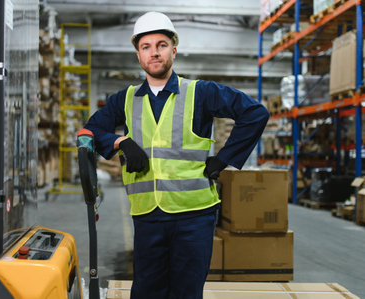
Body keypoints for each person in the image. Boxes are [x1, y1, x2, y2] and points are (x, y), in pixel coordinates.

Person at [84, 11, 269, 299]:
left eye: (161, 45)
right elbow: (91, 131)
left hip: (194, 217)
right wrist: (121, 141)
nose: (154, 53)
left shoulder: (200, 92)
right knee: (147, 292)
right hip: (147, 215)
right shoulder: (125, 99)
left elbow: (255, 113)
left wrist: (224, 158)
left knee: (186, 293)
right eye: (146, 47)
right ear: (138, 55)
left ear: (173, 49)